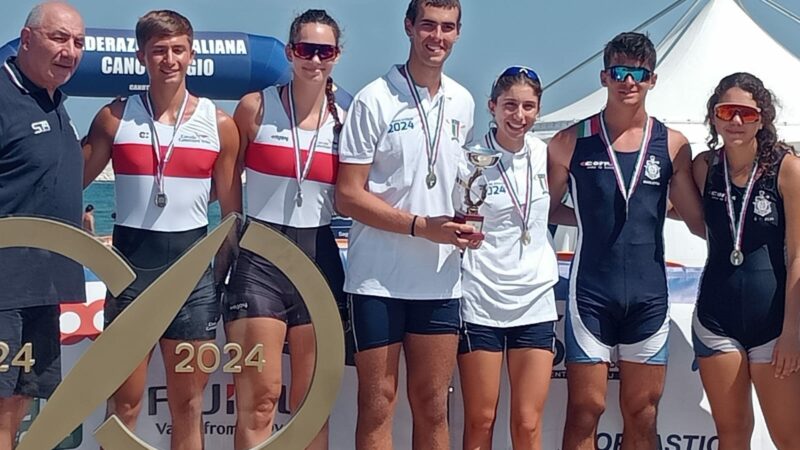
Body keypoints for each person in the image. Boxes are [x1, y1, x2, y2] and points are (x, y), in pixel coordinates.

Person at [81, 10, 241, 450]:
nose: (168, 60)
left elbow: (231, 216)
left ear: (191, 53)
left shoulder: (220, 125)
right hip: (130, 277)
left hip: (193, 282)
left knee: (188, 407)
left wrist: (221, 278)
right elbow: (68, 182)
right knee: (124, 402)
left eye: (177, 50)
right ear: (141, 57)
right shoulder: (115, 118)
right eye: (158, 51)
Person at [546, 32, 705, 450]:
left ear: (653, 79)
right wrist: (582, 218)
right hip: (591, 297)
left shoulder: (672, 145)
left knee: (643, 412)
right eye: (620, 71)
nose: (628, 81)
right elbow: (543, 211)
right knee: (585, 410)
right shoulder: (569, 141)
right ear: (604, 76)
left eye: (639, 73)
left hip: (648, 297)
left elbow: (696, 220)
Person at [335, 1, 477, 448]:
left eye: (447, 28)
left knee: (434, 404)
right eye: (428, 26)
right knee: (378, 400)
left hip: (438, 280)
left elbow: (457, 187)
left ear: (457, 33)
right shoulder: (373, 98)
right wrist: (421, 226)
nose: (437, 36)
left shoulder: (463, 101)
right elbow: (348, 195)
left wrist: (467, 226)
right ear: (409, 28)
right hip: (377, 278)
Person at [224, 9, 348, 450]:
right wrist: (231, 239)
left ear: (337, 55)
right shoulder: (255, 106)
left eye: (324, 51)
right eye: (305, 50)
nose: (314, 60)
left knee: (313, 403)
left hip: (319, 257)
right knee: (260, 400)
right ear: (290, 52)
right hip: (261, 261)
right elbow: (228, 179)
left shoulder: (346, 119)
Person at [691, 72, 800, 449]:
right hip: (715, 318)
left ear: (762, 117)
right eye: (727, 111)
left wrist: (792, 331)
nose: (736, 121)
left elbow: (799, 254)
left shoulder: (787, 169)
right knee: (733, 435)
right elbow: (680, 213)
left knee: (789, 438)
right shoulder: (704, 166)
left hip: (773, 324)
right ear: (714, 116)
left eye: (747, 113)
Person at [456, 66, 558, 450]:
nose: (519, 115)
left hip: (534, 300)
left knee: (528, 424)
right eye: (510, 105)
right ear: (492, 107)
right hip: (481, 298)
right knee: (481, 420)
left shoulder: (545, 154)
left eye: (528, 106)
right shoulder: (469, 158)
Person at [0, 2, 85, 448]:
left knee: (19, 397)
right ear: (27, 39)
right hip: (2, 285)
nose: (70, 51)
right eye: (59, 38)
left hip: (44, 285)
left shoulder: (56, 103)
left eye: (78, 42)